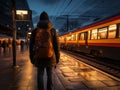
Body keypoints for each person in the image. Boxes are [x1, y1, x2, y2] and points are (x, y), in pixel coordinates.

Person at [29, 11, 60, 90]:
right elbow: (57, 46)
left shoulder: (35, 31)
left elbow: (31, 45)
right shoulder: (53, 31)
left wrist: (32, 58)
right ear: (48, 20)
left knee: (40, 76)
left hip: (39, 57)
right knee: (50, 77)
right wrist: (57, 59)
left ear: (39, 20)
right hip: (51, 57)